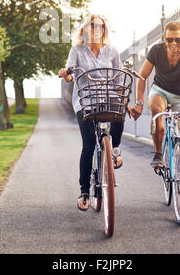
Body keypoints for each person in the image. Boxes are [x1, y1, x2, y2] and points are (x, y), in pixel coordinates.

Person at [58, 14, 124, 211]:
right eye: (93, 25)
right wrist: (66, 74)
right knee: (88, 145)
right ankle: (85, 192)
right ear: (85, 29)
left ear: (104, 30)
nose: (97, 29)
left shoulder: (112, 51)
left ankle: (115, 150)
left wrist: (122, 97)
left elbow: (119, 78)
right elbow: (70, 75)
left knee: (120, 108)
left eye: (101, 26)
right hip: (85, 100)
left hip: (108, 98)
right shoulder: (77, 50)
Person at [129, 21, 180, 193]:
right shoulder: (156, 51)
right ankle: (158, 154)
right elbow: (142, 77)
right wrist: (139, 103)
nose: (174, 43)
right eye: (170, 40)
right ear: (164, 38)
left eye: (177, 39)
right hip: (160, 90)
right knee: (157, 109)